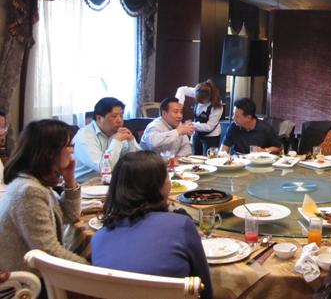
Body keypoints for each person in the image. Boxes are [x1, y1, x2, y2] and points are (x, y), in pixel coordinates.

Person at [92, 151, 213, 299]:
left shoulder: (98, 239)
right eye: (167, 176)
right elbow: (205, 290)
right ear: (158, 186)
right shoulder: (180, 226)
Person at [0, 119, 87, 273]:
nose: (72, 151)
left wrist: (70, 179)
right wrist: (91, 269)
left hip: (38, 273)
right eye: (69, 146)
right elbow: (48, 252)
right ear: (50, 153)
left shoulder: (36, 183)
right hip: (25, 281)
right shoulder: (28, 192)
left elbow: (70, 216)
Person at [74, 97, 140, 182]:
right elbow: (104, 169)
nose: (120, 120)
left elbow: (137, 161)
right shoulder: (85, 136)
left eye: (121, 115)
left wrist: (131, 141)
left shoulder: (117, 132)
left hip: (111, 182)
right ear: (99, 118)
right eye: (114, 116)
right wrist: (117, 141)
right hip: (85, 184)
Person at [175, 80, 223, 155]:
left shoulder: (217, 106)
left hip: (212, 135)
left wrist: (192, 125)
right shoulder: (198, 91)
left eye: (201, 102)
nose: (199, 103)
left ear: (209, 98)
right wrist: (179, 104)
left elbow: (209, 127)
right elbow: (182, 89)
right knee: (195, 156)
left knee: (210, 158)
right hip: (197, 133)